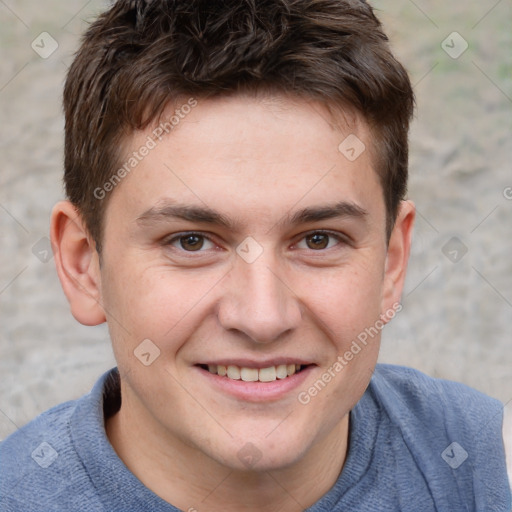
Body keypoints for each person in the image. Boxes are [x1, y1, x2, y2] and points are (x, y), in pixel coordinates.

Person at [0, 0, 510, 510]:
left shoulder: (489, 469)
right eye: (191, 241)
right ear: (84, 264)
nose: (263, 318)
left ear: (391, 262)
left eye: (319, 240)